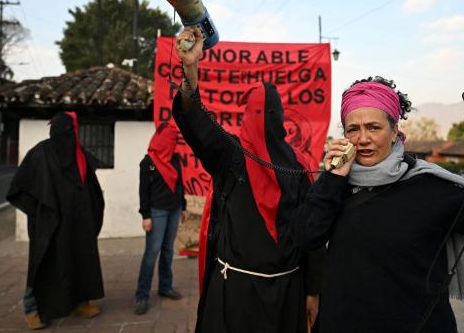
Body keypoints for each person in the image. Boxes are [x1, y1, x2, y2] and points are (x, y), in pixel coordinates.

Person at [292, 77, 464, 333]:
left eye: (374, 127)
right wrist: (332, 178)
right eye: (353, 129)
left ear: (395, 131)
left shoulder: (430, 186)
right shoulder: (335, 184)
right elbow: (304, 238)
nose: (362, 139)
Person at [172, 27, 324, 333]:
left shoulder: (299, 167)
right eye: (255, 111)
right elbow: (195, 121)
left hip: (286, 291)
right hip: (234, 292)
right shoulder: (230, 157)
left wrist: (312, 291)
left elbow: (312, 235)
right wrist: (191, 68)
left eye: (264, 112)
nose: (259, 118)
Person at [7, 112, 105, 329]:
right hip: (51, 224)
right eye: (67, 131)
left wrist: (90, 210)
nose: (69, 136)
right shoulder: (41, 153)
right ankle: (33, 309)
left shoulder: (79, 155)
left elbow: (91, 187)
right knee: (43, 263)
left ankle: (80, 301)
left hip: (77, 223)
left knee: (79, 261)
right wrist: (40, 213)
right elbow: (18, 189)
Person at [133, 122, 187, 315]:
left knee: (167, 250)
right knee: (152, 252)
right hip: (156, 212)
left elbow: (180, 183)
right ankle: (141, 295)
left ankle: (165, 286)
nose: (173, 143)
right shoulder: (148, 162)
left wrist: (183, 207)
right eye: (171, 139)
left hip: (174, 210)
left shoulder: (175, 159)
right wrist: (145, 215)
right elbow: (143, 191)